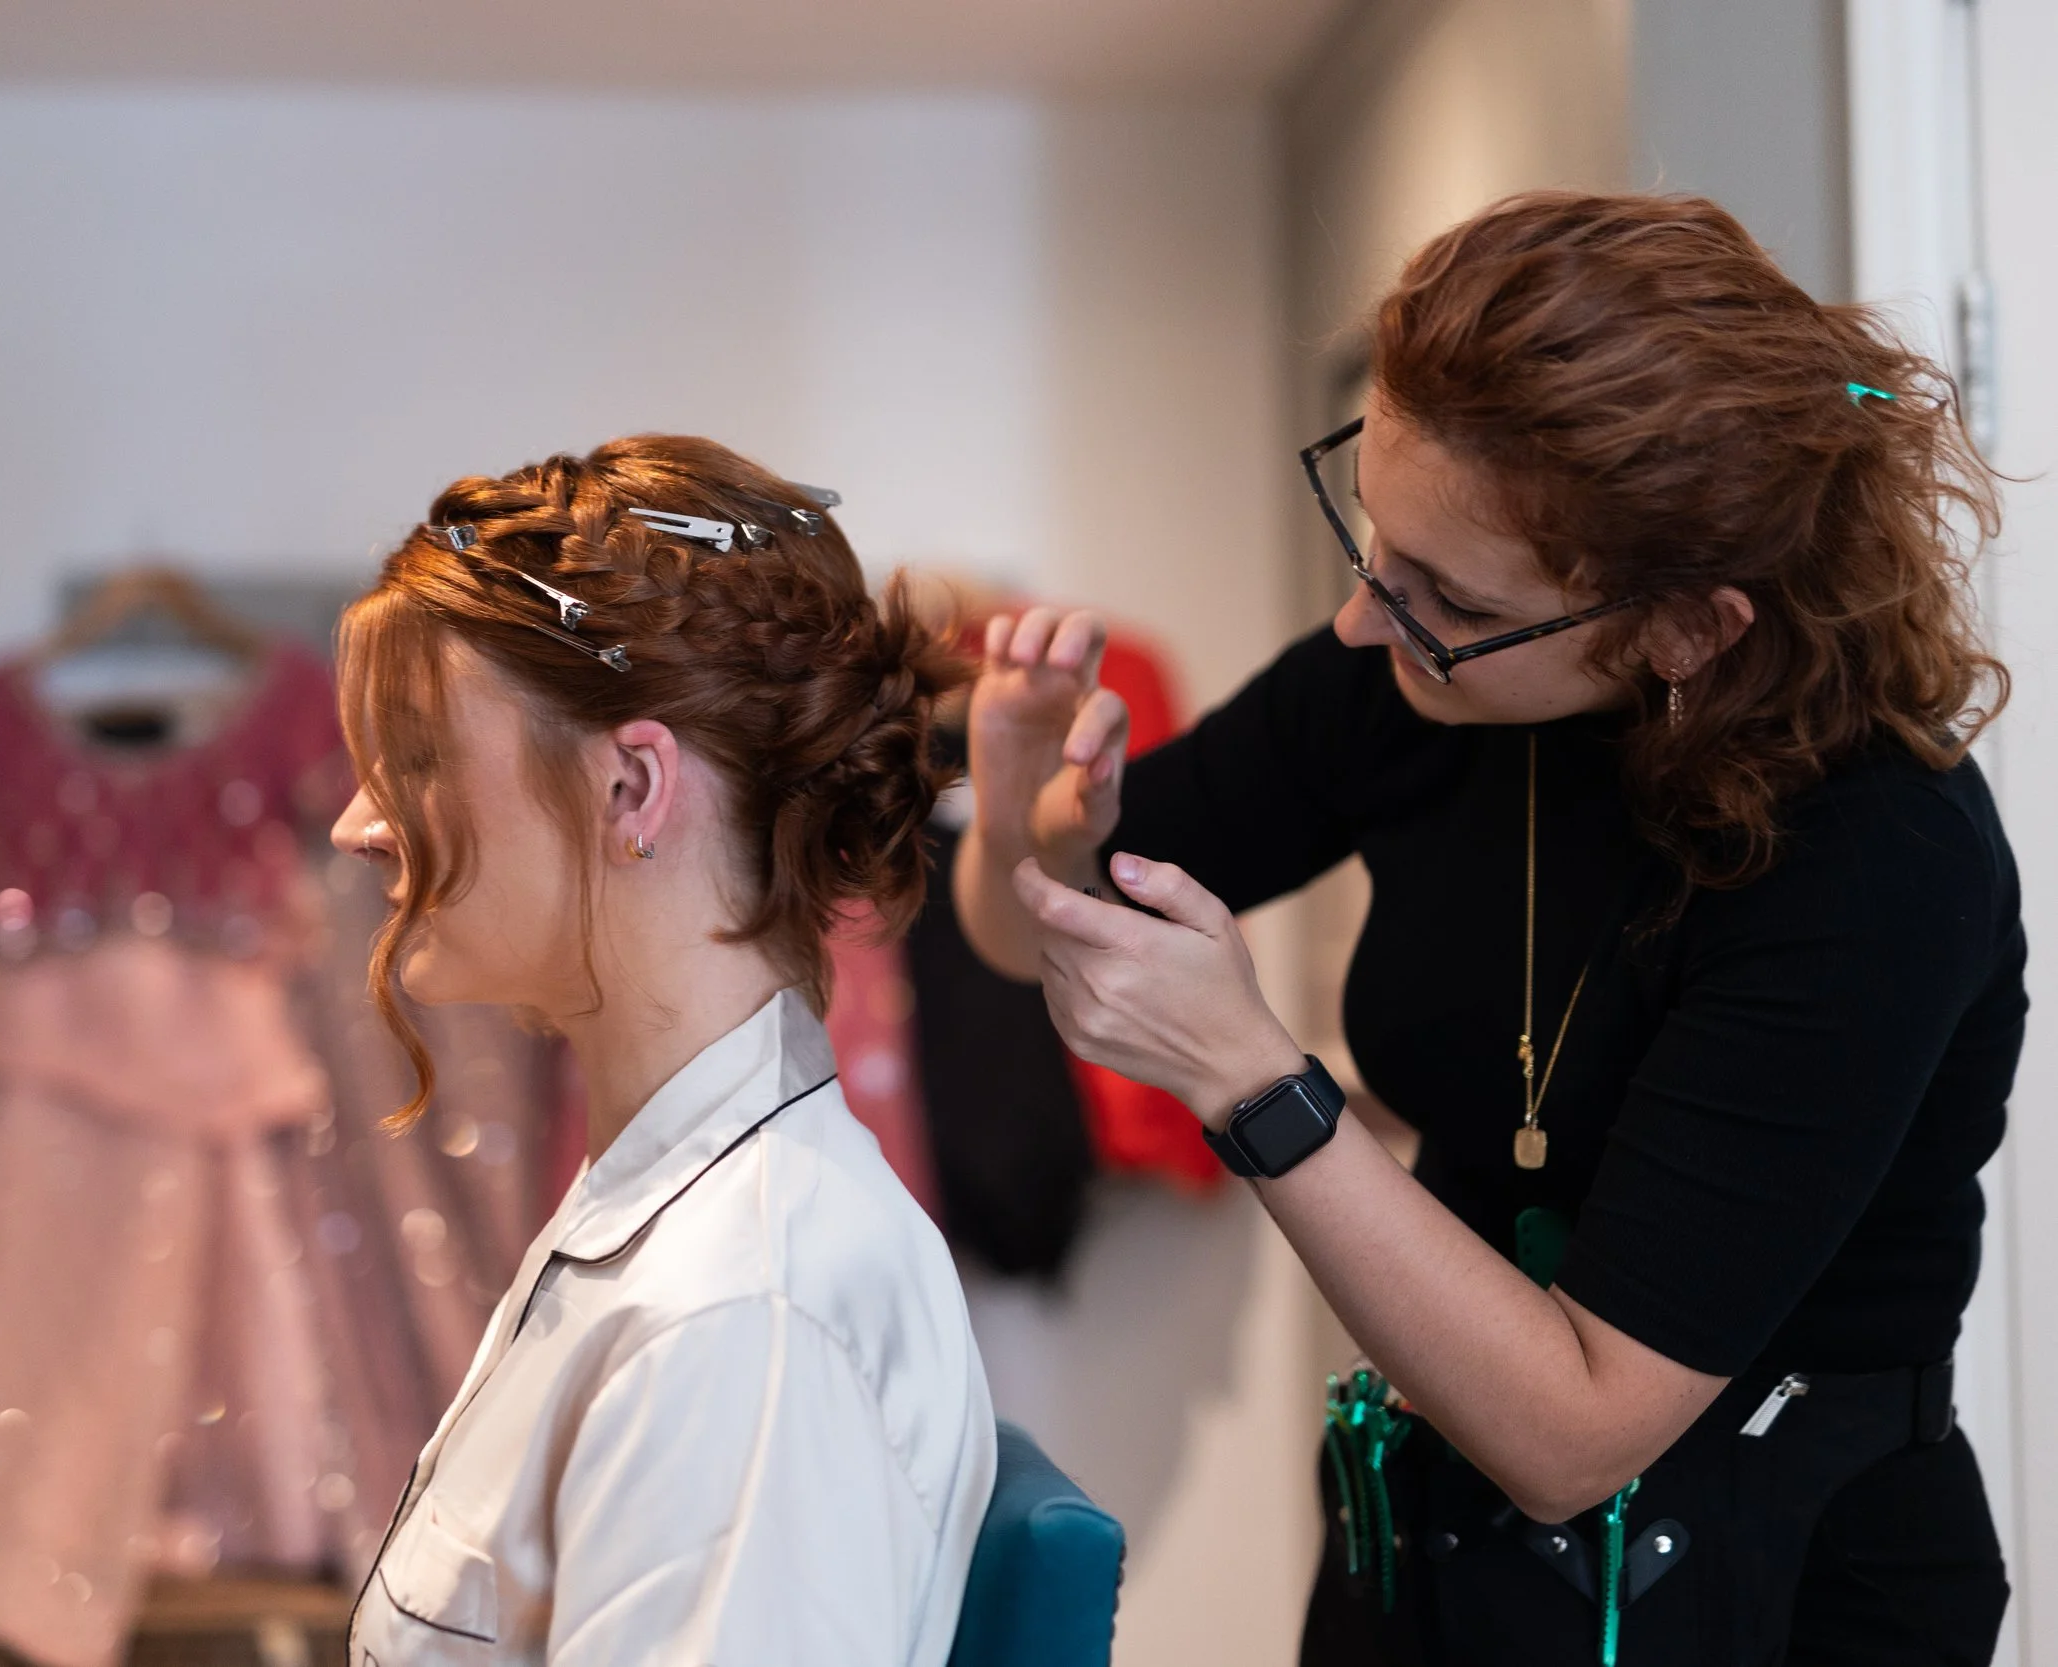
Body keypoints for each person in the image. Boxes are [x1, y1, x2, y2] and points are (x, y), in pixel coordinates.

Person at [955, 193, 2019, 1664]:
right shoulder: (1423, 676)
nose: (1360, 621)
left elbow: (1575, 1429)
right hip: (1437, 1545)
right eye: (1371, 538)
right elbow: (1042, 933)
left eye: (1440, 592)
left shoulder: (1875, 855)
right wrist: (1025, 812)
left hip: (1764, 1580)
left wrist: (1255, 1080)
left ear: (1687, 630)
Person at [332, 436, 995, 1664]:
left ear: (634, 786)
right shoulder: (673, 1211)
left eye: (415, 759)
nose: (358, 821)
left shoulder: (742, 1312)